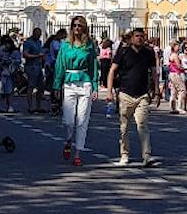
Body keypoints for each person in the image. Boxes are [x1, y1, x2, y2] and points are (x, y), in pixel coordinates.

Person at [106, 27, 160, 167]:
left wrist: (157, 91)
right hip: (125, 93)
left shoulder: (148, 52)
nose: (139, 38)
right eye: (137, 36)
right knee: (124, 127)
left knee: (142, 125)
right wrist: (109, 91)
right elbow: (112, 70)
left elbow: (154, 72)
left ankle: (147, 156)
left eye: (142, 36)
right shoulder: (124, 51)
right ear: (131, 38)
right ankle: (124, 154)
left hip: (142, 94)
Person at [54, 15, 98, 167]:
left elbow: (93, 65)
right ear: (71, 27)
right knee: (68, 121)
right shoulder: (65, 45)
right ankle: (68, 140)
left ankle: (78, 153)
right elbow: (59, 65)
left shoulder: (89, 45)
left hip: (85, 82)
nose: (77, 28)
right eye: (75, 25)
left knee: (82, 120)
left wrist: (95, 86)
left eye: (80, 25)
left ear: (84, 27)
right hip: (69, 83)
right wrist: (56, 85)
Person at [22, 28, 46, 114]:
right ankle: (30, 106)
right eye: (37, 34)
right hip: (31, 66)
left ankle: (38, 106)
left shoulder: (39, 42)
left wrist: (42, 59)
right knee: (31, 86)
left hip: (38, 66)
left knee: (41, 86)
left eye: (40, 35)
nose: (39, 36)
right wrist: (37, 56)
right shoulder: (28, 42)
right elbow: (25, 54)